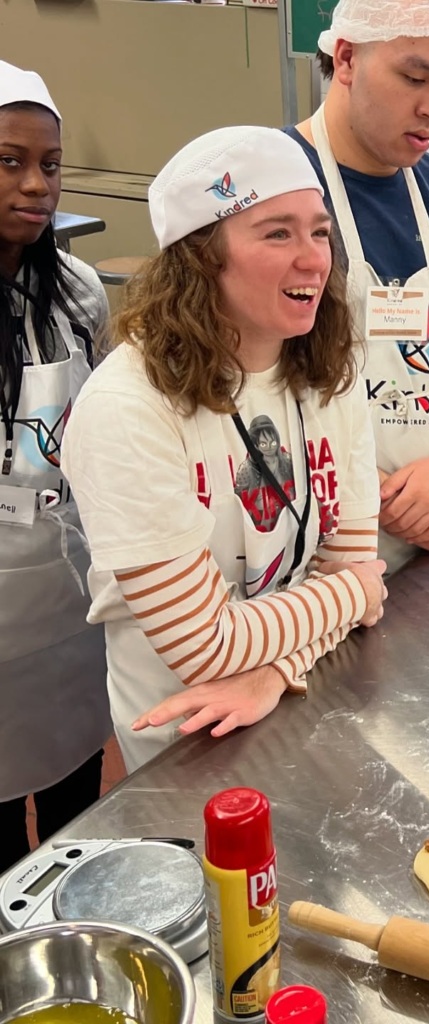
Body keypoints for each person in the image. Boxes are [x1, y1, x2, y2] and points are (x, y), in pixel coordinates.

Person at [62, 127, 387, 772]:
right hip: (187, 741)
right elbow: (206, 648)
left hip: (304, 694)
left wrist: (274, 672)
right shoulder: (129, 409)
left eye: (319, 231)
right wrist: (355, 595)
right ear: (201, 256)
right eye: (277, 233)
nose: (314, 259)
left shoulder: (327, 372)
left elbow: (349, 562)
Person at [286, 0, 429, 566]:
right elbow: (244, 387)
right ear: (346, 58)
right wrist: (384, 498)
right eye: (414, 78)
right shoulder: (277, 191)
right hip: (316, 540)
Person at [0, 62, 111, 874]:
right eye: (9, 161)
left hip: (67, 603)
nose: (36, 185)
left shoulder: (73, 291)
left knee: (82, 817)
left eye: (50, 163)